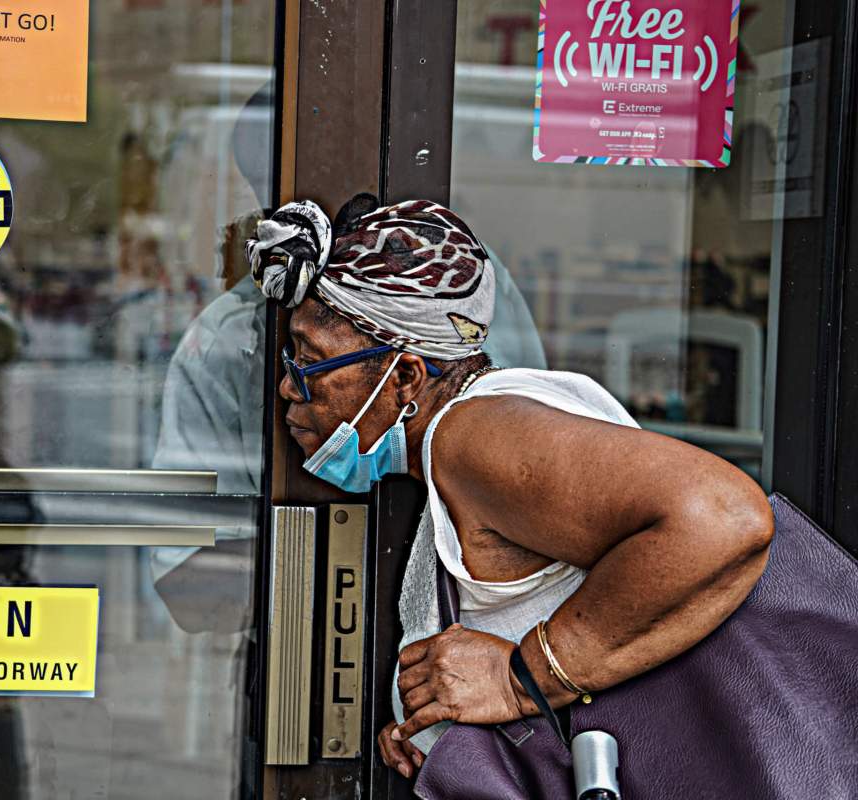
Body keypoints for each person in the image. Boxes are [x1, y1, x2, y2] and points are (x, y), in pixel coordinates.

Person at [246, 196, 774, 780]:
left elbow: (723, 517)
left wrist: (524, 678)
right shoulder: (473, 431)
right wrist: (434, 717)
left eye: (309, 361)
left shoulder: (472, 436)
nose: (291, 389)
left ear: (404, 376)